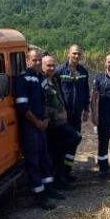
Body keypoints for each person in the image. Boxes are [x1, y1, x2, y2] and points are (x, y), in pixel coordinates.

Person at [15, 48, 65, 210]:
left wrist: (46, 119)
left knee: (44, 158)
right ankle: (39, 195)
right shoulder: (23, 79)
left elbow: (46, 100)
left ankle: (49, 189)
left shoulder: (40, 78)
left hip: (41, 124)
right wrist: (37, 122)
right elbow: (22, 107)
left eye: (39, 60)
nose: (37, 63)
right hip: (30, 127)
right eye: (34, 60)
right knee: (34, 161)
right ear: (27, 61)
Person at [42, 54, 82, 188]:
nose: (52, 68)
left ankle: (62, 175)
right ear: (42, 66)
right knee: (74, 137)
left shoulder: (54, 79)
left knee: (61, 150)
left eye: (53, 65)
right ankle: (59, 178)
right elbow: (42, 106)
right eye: (48, 65)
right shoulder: (42, 83)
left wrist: (64, 110)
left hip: (60, 121)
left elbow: (59, 99)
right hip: (52, 124)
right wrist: (57, 115)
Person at [57, 45, 90, 177]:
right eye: (74, 53)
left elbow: (86, 91)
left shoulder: (83, 71)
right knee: (62, 142)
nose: (76, 56)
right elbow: (56, 93)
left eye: (79, 54)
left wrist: (86, 109)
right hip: (64, 115)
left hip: (77, 114)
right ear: (68, 54)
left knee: (74, 142)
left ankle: (67, 171)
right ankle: (58, 172)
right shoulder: (60, 71)